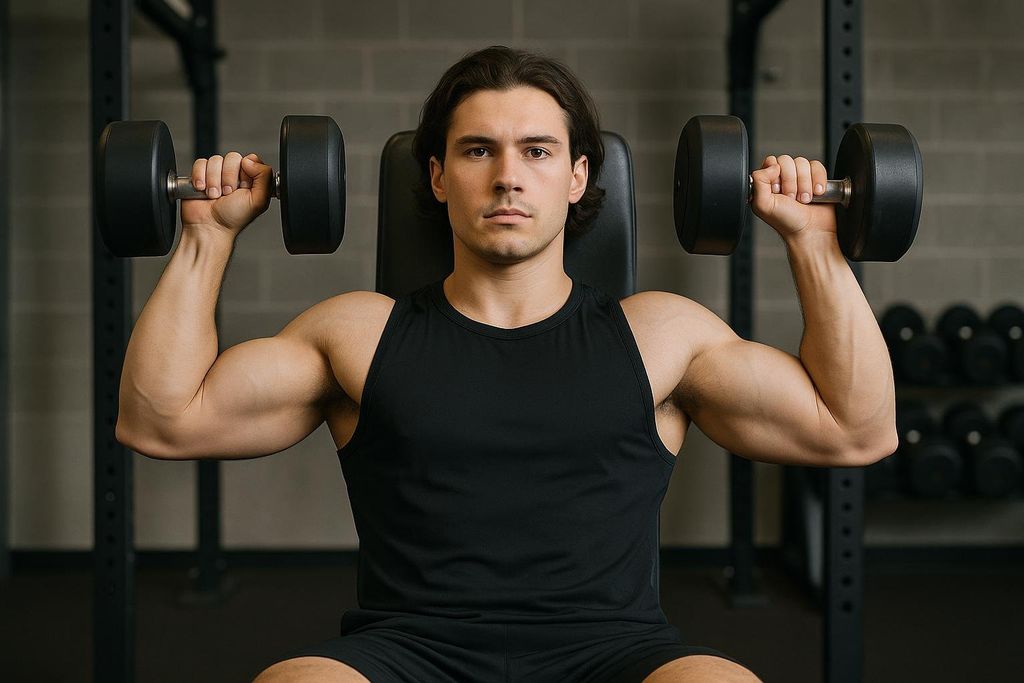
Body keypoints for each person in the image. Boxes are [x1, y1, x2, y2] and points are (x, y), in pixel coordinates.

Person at [115, 45, 897, 683]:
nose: (508, 175)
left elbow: (855, 430)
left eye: (537, 150)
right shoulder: (359, 334)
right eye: (477, 149)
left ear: (578, 176)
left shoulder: (660, 335)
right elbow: (161, 419)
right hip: (408, 651)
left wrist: (813, 243)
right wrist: (206, 237)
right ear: (436, 176)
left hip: (614, 652)